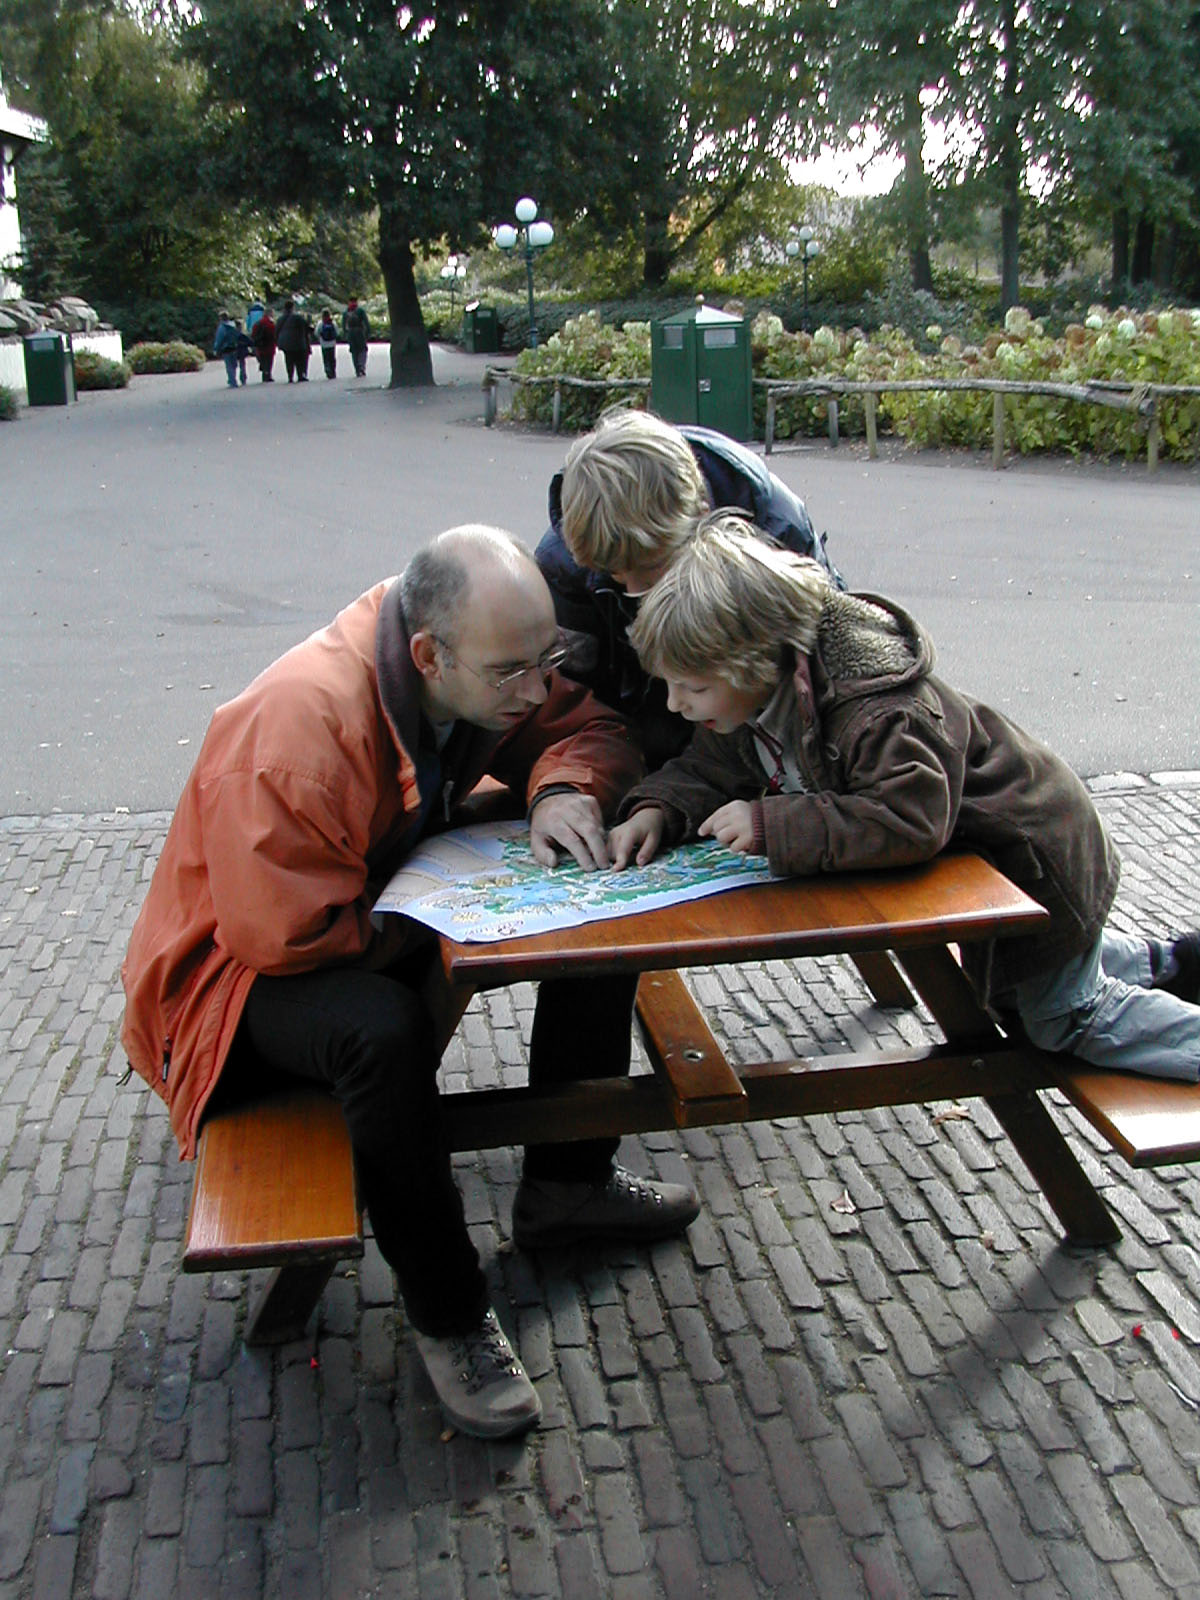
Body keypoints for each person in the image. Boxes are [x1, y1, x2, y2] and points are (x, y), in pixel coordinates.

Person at [121, 525, 699, 1441]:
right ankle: (450, 1313)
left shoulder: (473, 658)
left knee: (586, 903)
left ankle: (568, 1181)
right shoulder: (294, 732)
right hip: (227, 991)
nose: (536, 687)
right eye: (513, 672)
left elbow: (583, 728)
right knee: (380, 1034)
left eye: (547, 658)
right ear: (428, 654)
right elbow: (285, 937)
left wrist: (558, 792)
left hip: (338, 910)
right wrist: (441, 921)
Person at [608, 512, 1200, 1082]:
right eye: (670, 684)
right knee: (1022, 984)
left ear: (758, 662)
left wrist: (772, 825)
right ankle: (1171, 965)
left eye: (694, 688)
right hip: (991, 874)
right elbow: (708, 768)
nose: (675, 704)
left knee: (1058, 1018)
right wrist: (658, 807)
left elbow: (910, 818)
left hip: (1038, 862)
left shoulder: (880, 710)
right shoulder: (752, 702)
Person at [536, 408, 844, 771]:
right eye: (614, 575)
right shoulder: (565, 561)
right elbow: (574, 705)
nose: (636, 592)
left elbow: (827, 660)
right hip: (645, 734)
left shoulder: (775, 524)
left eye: (651, 568)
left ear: (699, 515)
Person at [275, 298, 312, 382]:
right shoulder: (297, 317)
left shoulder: (280, 319)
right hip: (297, 342)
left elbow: (276, 330)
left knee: (289, 360)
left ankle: (290, 376)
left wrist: (278, 342)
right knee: (299, 359)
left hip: (286, 343)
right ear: (292, 308)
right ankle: (300, 375)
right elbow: (306, 327)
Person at [212, 311, 240, 388]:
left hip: (226, 348)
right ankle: (233, 379)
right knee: (234, 365)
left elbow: (219, 339)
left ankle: (232, 381)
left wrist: (216, 348)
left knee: (229, 365)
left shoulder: (222, 327)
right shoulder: (233, 326)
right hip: (234, 347)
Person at [343, 296, 370, 376]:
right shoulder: (360, 311)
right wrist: (368, 332)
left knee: (354, 351)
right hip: (360, 332)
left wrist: (345, 334)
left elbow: (344, 325)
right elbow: (366, 322)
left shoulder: (346, 312)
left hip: (351, 333)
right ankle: (361, 366)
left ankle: (357, 368)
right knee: (362, 350)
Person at [250, 305, 277, 382]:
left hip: (260, 345)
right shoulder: (270, 323)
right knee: (269, 360)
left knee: (263, 359)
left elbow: (253, 334)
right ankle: (267, 374)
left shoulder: (257, 323)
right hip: (269, 345)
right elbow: (274, 334)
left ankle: (264, 373)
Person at [316, 308, 338, 378]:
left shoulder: (320, 323)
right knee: (332, 357)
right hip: (332, 343)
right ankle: (333, 370)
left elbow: (317, 333)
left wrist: (320, 338)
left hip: (324, 343)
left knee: (326, 358)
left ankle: (327, 370)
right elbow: (337, 332)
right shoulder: (333, 323)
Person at [234, 320, 253, 387]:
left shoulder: (231, 334)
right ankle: (243, 378)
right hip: (241, 351)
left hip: (234, 351)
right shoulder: (241, 335)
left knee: (233, 366)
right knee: (242, 365)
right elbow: (249, 342)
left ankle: (233, 379)